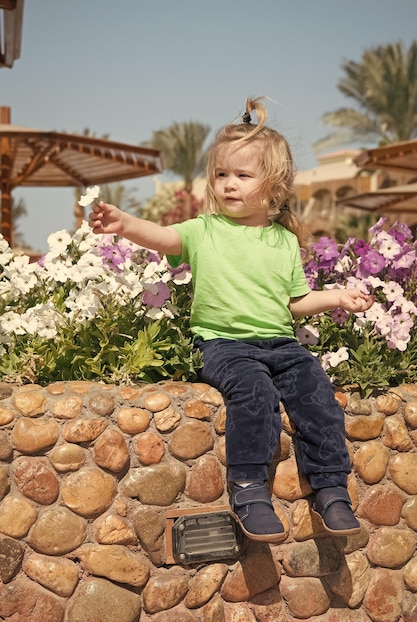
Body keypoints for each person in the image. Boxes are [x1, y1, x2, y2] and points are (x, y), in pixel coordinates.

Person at [89, 96, 374, 544]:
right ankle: (249, 489)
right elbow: (163, 237)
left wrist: (337, 296)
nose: (229, 185)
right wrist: (125, 223)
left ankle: (331, 489)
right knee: (254, 393)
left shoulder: (282, 242)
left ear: (274, 187)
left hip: (281, 344)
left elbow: (294, 302)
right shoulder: (204, 230)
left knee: (318, 395)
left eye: (243, 175)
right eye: (221, 175)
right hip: (224, 344)